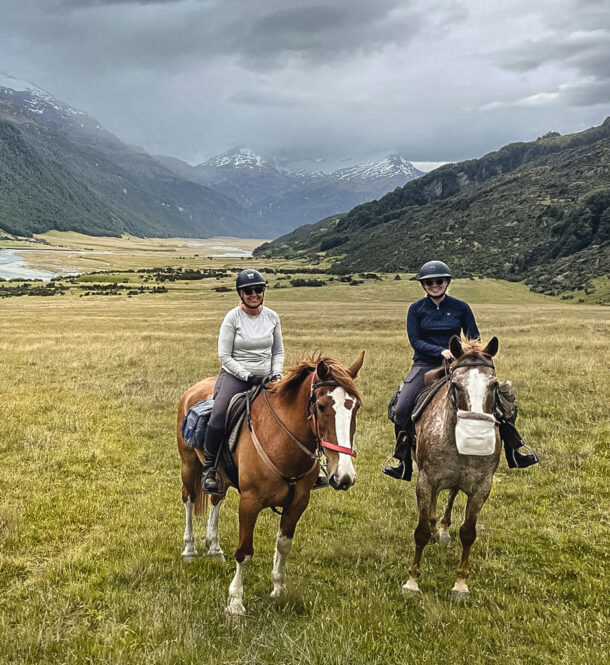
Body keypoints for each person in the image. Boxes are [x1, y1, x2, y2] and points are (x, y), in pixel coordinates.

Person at [382, 260, 537, 481]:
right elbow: (415, 340)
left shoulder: (461, 307)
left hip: (460, 363)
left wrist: (464, 353)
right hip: (425, 364)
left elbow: (474, 336)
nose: (434, 285)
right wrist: (440, 351)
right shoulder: (416, 309)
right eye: (429, 282)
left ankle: (515, 450)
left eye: (439, 281)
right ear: (423, 285)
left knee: (502, 403)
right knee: (402, 408)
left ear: (447, 282)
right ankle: (402, 459)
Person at [202, 269, 284, 494]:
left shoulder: (272, 317)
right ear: (241, 294)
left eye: (258, 289)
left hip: (268, 376)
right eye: (248, 291)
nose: (254, 294)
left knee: (298, 407)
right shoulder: (232, 318)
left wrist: (276, 373)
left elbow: (278, 351)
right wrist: (248, 376)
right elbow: (224, 356)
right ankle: (209, 468)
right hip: (236, 376)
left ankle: (308, 468)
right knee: (219, 414)